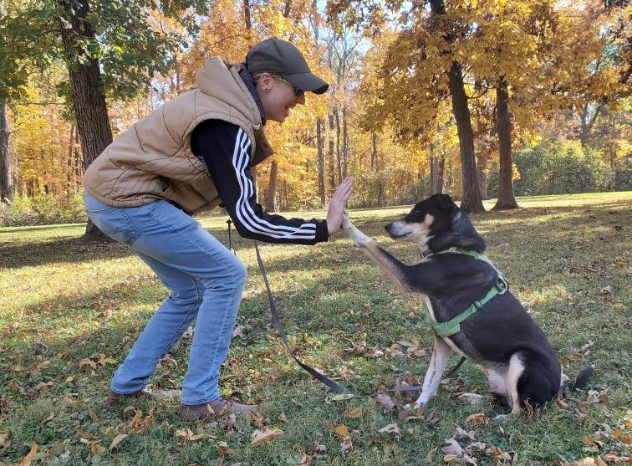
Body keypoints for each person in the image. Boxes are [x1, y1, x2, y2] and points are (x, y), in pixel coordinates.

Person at [83, 38, 353, 421]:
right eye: (296, 89)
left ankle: (127, 387)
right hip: (126, 200)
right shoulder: (226, 122)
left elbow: (234, 194)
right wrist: (322, 228)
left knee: (189, 290)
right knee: (227, 274)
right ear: (266, 82)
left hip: (110, 197)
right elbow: (249, 220)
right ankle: (200, 399)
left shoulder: (227, 109)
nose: (300, 100)